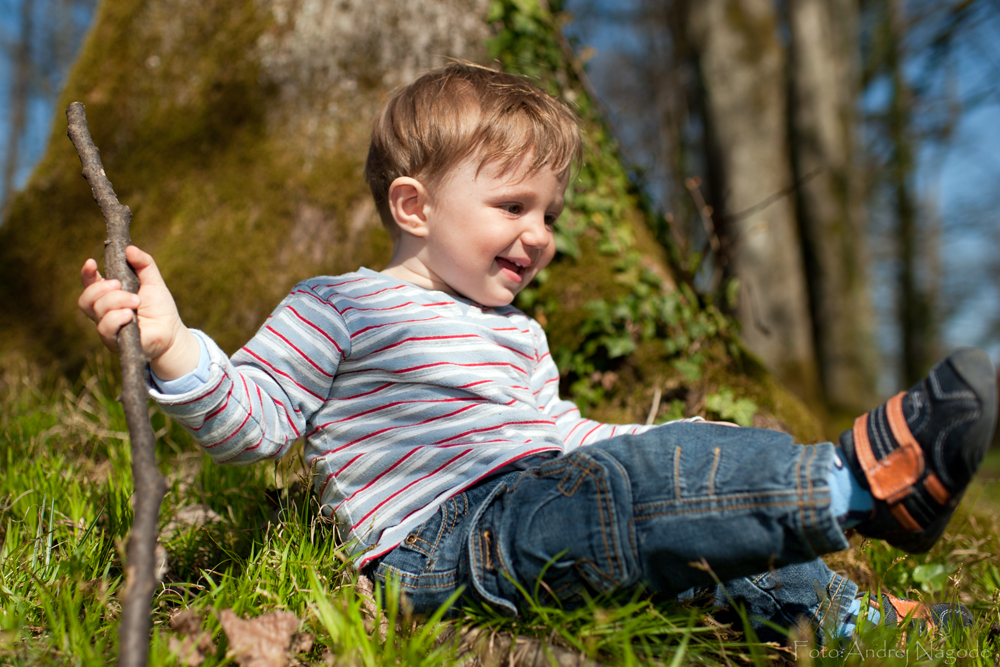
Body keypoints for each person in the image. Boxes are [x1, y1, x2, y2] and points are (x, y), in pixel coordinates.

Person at [77, 62, 997, 643]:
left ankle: (873, 621)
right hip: (442, 539)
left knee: (678, 504)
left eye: (549, 215)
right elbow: (252, 419)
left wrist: (670, 432)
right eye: (514, 208)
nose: (542, 235)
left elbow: (556, 430)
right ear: (414, 206)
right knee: (630, 492)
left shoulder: (519, 332)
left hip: (543, 501)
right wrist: (171, 344)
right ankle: (855, 483)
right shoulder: (341, 306)